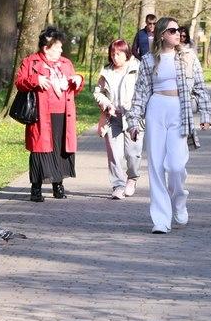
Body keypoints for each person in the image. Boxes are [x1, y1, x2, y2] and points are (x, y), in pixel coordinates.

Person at [128, 16, 211, 234]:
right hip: (156, 109)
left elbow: (201, 87)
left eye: (179, 31)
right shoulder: (148, 60)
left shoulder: (188, 57)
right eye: (173, 31)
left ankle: (179, 201)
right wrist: (134, 120)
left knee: (175, 166)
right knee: (156, 166)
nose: (178, 34)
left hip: (180, 110)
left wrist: (205, 113)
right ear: (163, 34)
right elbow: (140, 93)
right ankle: (161, 219)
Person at [14, 26, 85, 203]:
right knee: (40, 150)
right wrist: (35, 80)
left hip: (63, 114)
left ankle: (58, 185)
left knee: (60, 149)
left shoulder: (65, 63)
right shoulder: (31, 62)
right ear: (46, 48)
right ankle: (36, 189)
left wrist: (78, 80)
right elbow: (20, 82)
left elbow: (73, 90)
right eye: (57, 47)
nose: (61, 50)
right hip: (41, 115)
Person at [94, 39, 142, 200]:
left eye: (119, 54)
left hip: (133, 118)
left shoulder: (137, 68)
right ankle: (118, 185)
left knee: (132, 154)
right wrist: (106, 104)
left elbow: (144, 91)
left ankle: (132, 178)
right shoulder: (106, 71)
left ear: (126, 53)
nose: (115, 57)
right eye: (112, 54)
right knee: (114, 154)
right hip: (112, 118)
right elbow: (97, 92)